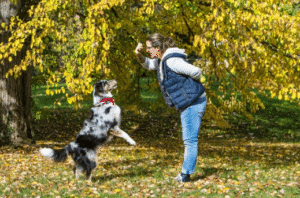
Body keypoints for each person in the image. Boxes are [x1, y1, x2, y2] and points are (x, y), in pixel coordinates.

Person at [135, 33, 207, 183]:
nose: (148, 51)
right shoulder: (162, 60)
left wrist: (190, 88)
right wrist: (138, 54)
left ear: (158, 47)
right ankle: (185, 174)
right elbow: (148, 64)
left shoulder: (171, 60)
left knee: (190, 140)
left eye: (149, 48)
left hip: (193, 102)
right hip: (189, 102)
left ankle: (185, 175)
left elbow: (196, 72)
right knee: (189, 139)